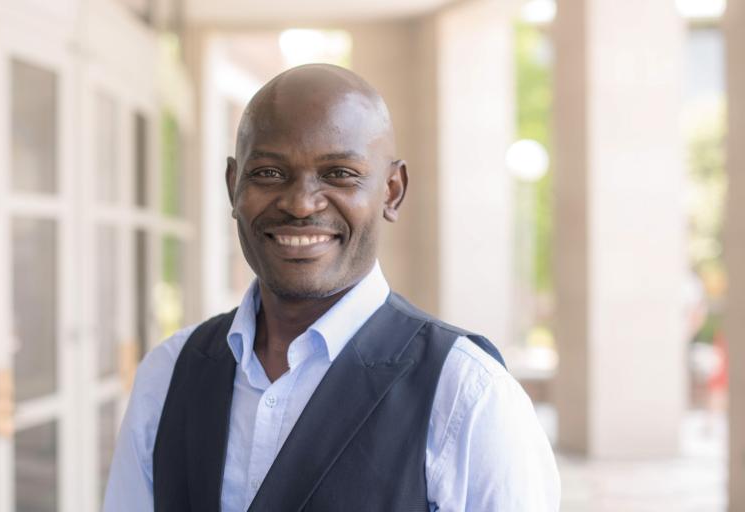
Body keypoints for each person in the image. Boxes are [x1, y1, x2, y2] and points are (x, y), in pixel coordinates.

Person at [104, 63, 560, 511]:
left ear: (392, 191)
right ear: (233, 186)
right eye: (268, 172)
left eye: (339, 173)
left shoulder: (469, 397)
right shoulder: (166, 376)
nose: (301, 204)